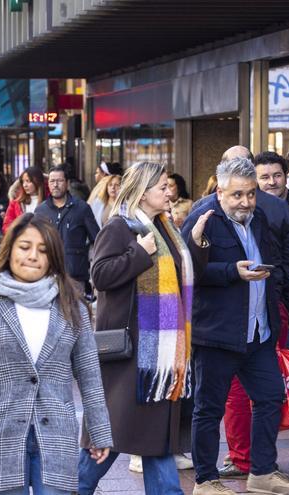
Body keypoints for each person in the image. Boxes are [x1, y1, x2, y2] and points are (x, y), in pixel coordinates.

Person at [77, 162, 211, 495]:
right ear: (143, 189)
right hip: (131, 355)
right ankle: (74, 487)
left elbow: (179, 277)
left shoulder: (165, 227)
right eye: (163, 187)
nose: (170, 192)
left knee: (150, 438)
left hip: (161, 357)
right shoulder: (121, 227)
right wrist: (139, 252)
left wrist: (194, 243)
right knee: (116, 433)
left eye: (168, 186)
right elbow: (101, 275)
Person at [0, 213, 112, 494]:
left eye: (43, 250)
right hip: (2, 430)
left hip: (56, 432)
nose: (33, 256)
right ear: (9, 250)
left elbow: (89, 373)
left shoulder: (71, 305)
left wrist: (99, 430)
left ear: (53, 257)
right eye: (25, 247)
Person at [182, 157, 289, 495]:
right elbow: (187, 272)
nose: (246, 202)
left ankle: (262, 473)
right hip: (218, 335)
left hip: (258, 332)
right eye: (237, 195)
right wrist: (230, 272)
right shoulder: (203, 219)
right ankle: (206, 480)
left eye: (250, 194)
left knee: (270, 398)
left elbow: (274, 263)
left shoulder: (260, 218)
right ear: (220, 191)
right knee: (209, 409)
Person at [214, 151, 289, 472]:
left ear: (286, 176)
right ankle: (244, 455)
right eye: (263, 177)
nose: (270, 182)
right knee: (253, 390)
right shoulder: (218, 213)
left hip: (288, 313)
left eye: (276, 175)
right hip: (256, 314)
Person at [35, 166, 100, 295]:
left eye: (59, 181)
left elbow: (97, 239)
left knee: (75, 313)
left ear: (67, 183)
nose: (55, 185)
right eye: (52, 181)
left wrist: (95, 271)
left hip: (75, 276)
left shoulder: (82, 208)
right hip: (47, 275)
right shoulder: (40, 211)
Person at [4, 167, 46, 233]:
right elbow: (6, 225)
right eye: (23, 182)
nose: (25, 185)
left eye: (28, 181)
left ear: (37, 181)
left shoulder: (48, 202)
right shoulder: (16, 203)